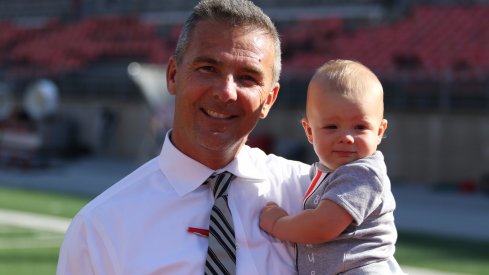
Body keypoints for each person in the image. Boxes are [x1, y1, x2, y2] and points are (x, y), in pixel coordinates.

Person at [56, 0, 310, 274]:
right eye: (208, 69)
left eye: (247, 77)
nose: (226, 92)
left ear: (269, 100)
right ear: (173, 76)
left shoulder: (310, 196)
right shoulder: (101, 226)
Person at [259, 59, 405, 274]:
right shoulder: (326, 174)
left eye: (360, 127)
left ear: (380, 131)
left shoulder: (363, 173)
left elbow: (321, 226)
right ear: (309, 132)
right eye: (331, 126)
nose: (346, 137)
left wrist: (277, 223)